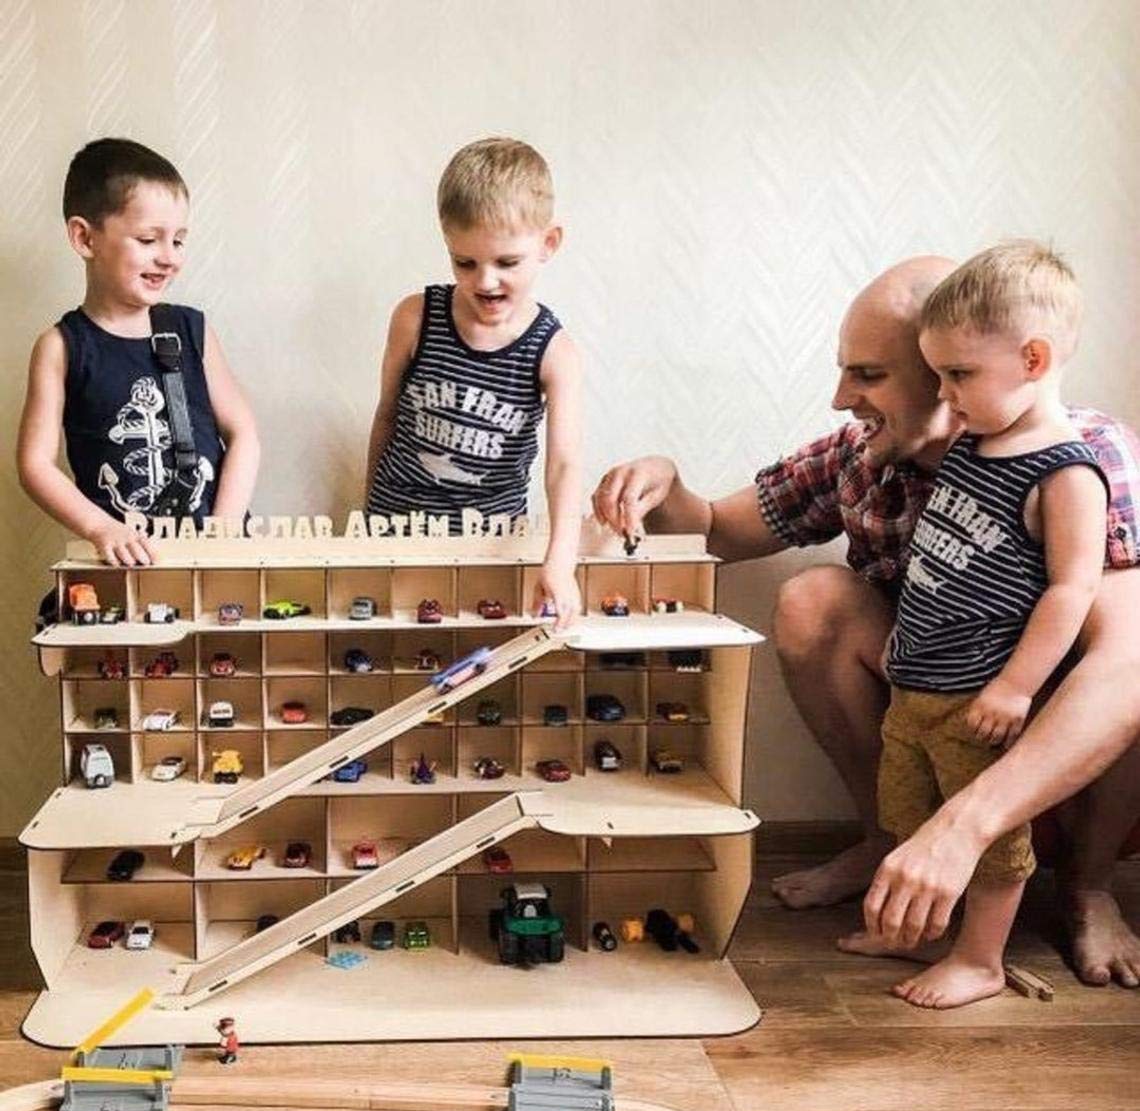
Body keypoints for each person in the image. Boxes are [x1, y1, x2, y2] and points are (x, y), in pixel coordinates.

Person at [592, 255, 1140, 988]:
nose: (841, 396)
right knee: (813, 600)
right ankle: (890, 848)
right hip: (933, 709)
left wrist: (967, 824)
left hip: (1040, 724)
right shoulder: (863, 455)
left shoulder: (1077, 459)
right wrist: (666, 483)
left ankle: (1086, 885)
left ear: (946, 371)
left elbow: (1124, 667)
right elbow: (720, 528)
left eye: (869, 375)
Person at [837, 242, 1107, 1008]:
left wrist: (1018, 688)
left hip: (976, 699)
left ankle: (981, 959)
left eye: (960, 375)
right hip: (914, 689)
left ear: (1033, 357)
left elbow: (1071, 589)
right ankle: (910, 926)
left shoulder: (1065, 471)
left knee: (988, 842)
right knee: (906, 812)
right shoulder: (972, 443)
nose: (946, 394)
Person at [364, 137, 582, 628]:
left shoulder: (554, 351)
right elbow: (386, 416)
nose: (485, 282)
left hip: (490, 545)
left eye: (506, 263)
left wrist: (560, 561)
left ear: (548, 244)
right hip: (397, 531)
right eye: (465, 262)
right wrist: (367, 520)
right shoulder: (415, 317)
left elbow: (564, 465)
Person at [16, 138, 259, 567]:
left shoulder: (191, 329)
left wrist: (223, 533)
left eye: (179, 241)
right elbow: (35, 464)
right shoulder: (61, 347)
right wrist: (100, 527)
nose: (169, 258)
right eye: (149, 239)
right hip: (127, 564)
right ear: (84, 237)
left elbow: (244, 433)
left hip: (215, 558)